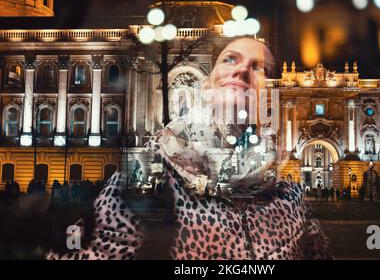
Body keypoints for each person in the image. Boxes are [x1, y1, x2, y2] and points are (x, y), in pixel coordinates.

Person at [47, 37, 332, 260]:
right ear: (205, 84)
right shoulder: (150, 177)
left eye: (257, 67)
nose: (242, 70)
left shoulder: (288, 197)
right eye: (230, 59)